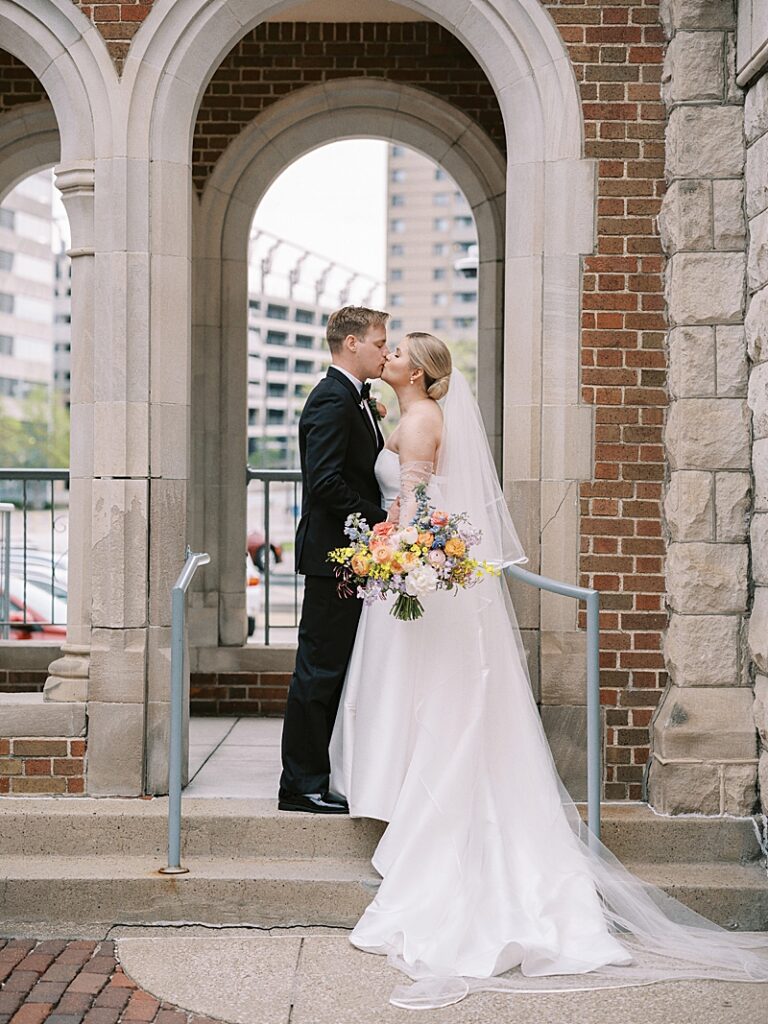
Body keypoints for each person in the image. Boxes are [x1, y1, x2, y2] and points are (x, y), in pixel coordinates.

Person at [328, 332, 768, 1009]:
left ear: (415, 370)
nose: (384, 358)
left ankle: (431, 813)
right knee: (437, 701)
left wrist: (389, 555)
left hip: (418, 575)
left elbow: (414, 511)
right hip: (423, 575)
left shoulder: (418, 421)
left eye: (394, 354)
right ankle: (413, 788)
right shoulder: (408, 414)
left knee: (442, 705)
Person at [278, 306, 395, 814]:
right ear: (351, 344)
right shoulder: (330, 398)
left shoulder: (357, 398)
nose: (384, 352)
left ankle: (316, 775)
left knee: (333, 669)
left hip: (348, 555)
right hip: (333, 557)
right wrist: (383, 518)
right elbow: (324, 482)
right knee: (319, 671)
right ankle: (300, 785)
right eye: (378, 343)